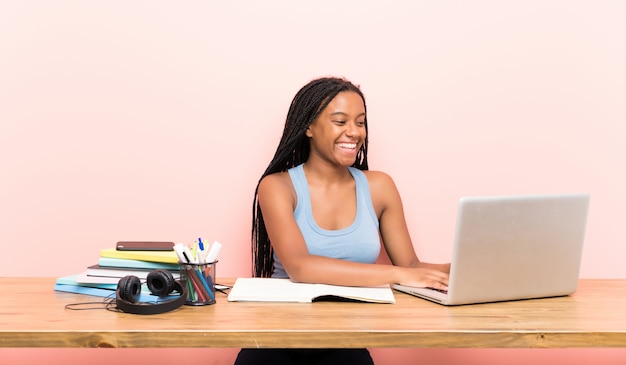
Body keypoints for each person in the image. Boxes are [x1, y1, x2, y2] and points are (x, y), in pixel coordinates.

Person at [234, 76, 450, 365]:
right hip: (278, 333)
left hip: (346, 336)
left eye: (360, 122)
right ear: (309, 127)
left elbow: (410, 266)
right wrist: (398, 274)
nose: (354, 132)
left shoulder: (379, 187)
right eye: (340, 121)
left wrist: (467, 267)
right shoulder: (277, 187)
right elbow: (300, 267)